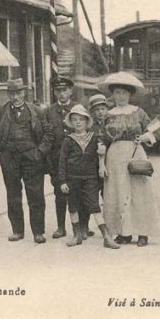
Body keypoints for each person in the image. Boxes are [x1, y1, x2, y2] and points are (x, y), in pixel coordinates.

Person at [98, 71, 160, 247]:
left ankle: (143, 233)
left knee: (139, 194)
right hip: (114, 157)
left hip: (135, 154)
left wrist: (143, 138)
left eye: (124, 93)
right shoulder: (108, 115)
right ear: (113, 94)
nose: (120, 96)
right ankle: (123, 233)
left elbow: (158, 129)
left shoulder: (139, 112)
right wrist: (101, 161)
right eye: (117, 92)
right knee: (117, 194)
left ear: (130, 94)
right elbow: (102, 138)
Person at [0, 78, 53, 244]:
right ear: (8, 94)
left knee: (36, 196)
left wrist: (39, 152)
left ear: (24, 93)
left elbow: (48, 134)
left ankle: (38, 232)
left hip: (32, 158)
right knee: (13, 196)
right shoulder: (2, 111)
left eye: (18, 93)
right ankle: (17, 230)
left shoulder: (36, 111)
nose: (15, 97)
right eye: (12, 93)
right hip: (9, 158)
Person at [56, 105, 120, 249]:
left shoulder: (94, 138)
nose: (78, 122)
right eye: (74, 120)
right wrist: (63, 181)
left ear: (87, 122)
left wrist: (102, 159)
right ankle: (77, 235)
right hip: (72, 179)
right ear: (71, 123)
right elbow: (62, 162)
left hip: (90, 178)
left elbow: (100, 157)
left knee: (94, 206)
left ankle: (106, 236)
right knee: (73, 207)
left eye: (81, 120)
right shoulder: (68, 140)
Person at [45, 76, 76, 239]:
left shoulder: (78, 108)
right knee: (59, 194)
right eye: (58, 91)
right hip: (57, 159)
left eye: (65, 90)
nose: (62, 94)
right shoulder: (49, 111)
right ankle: (60, 227)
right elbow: (46, 136)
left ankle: (82, 226)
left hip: (76, 158)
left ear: (70, 91)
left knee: (78, 192)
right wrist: (49, 163)